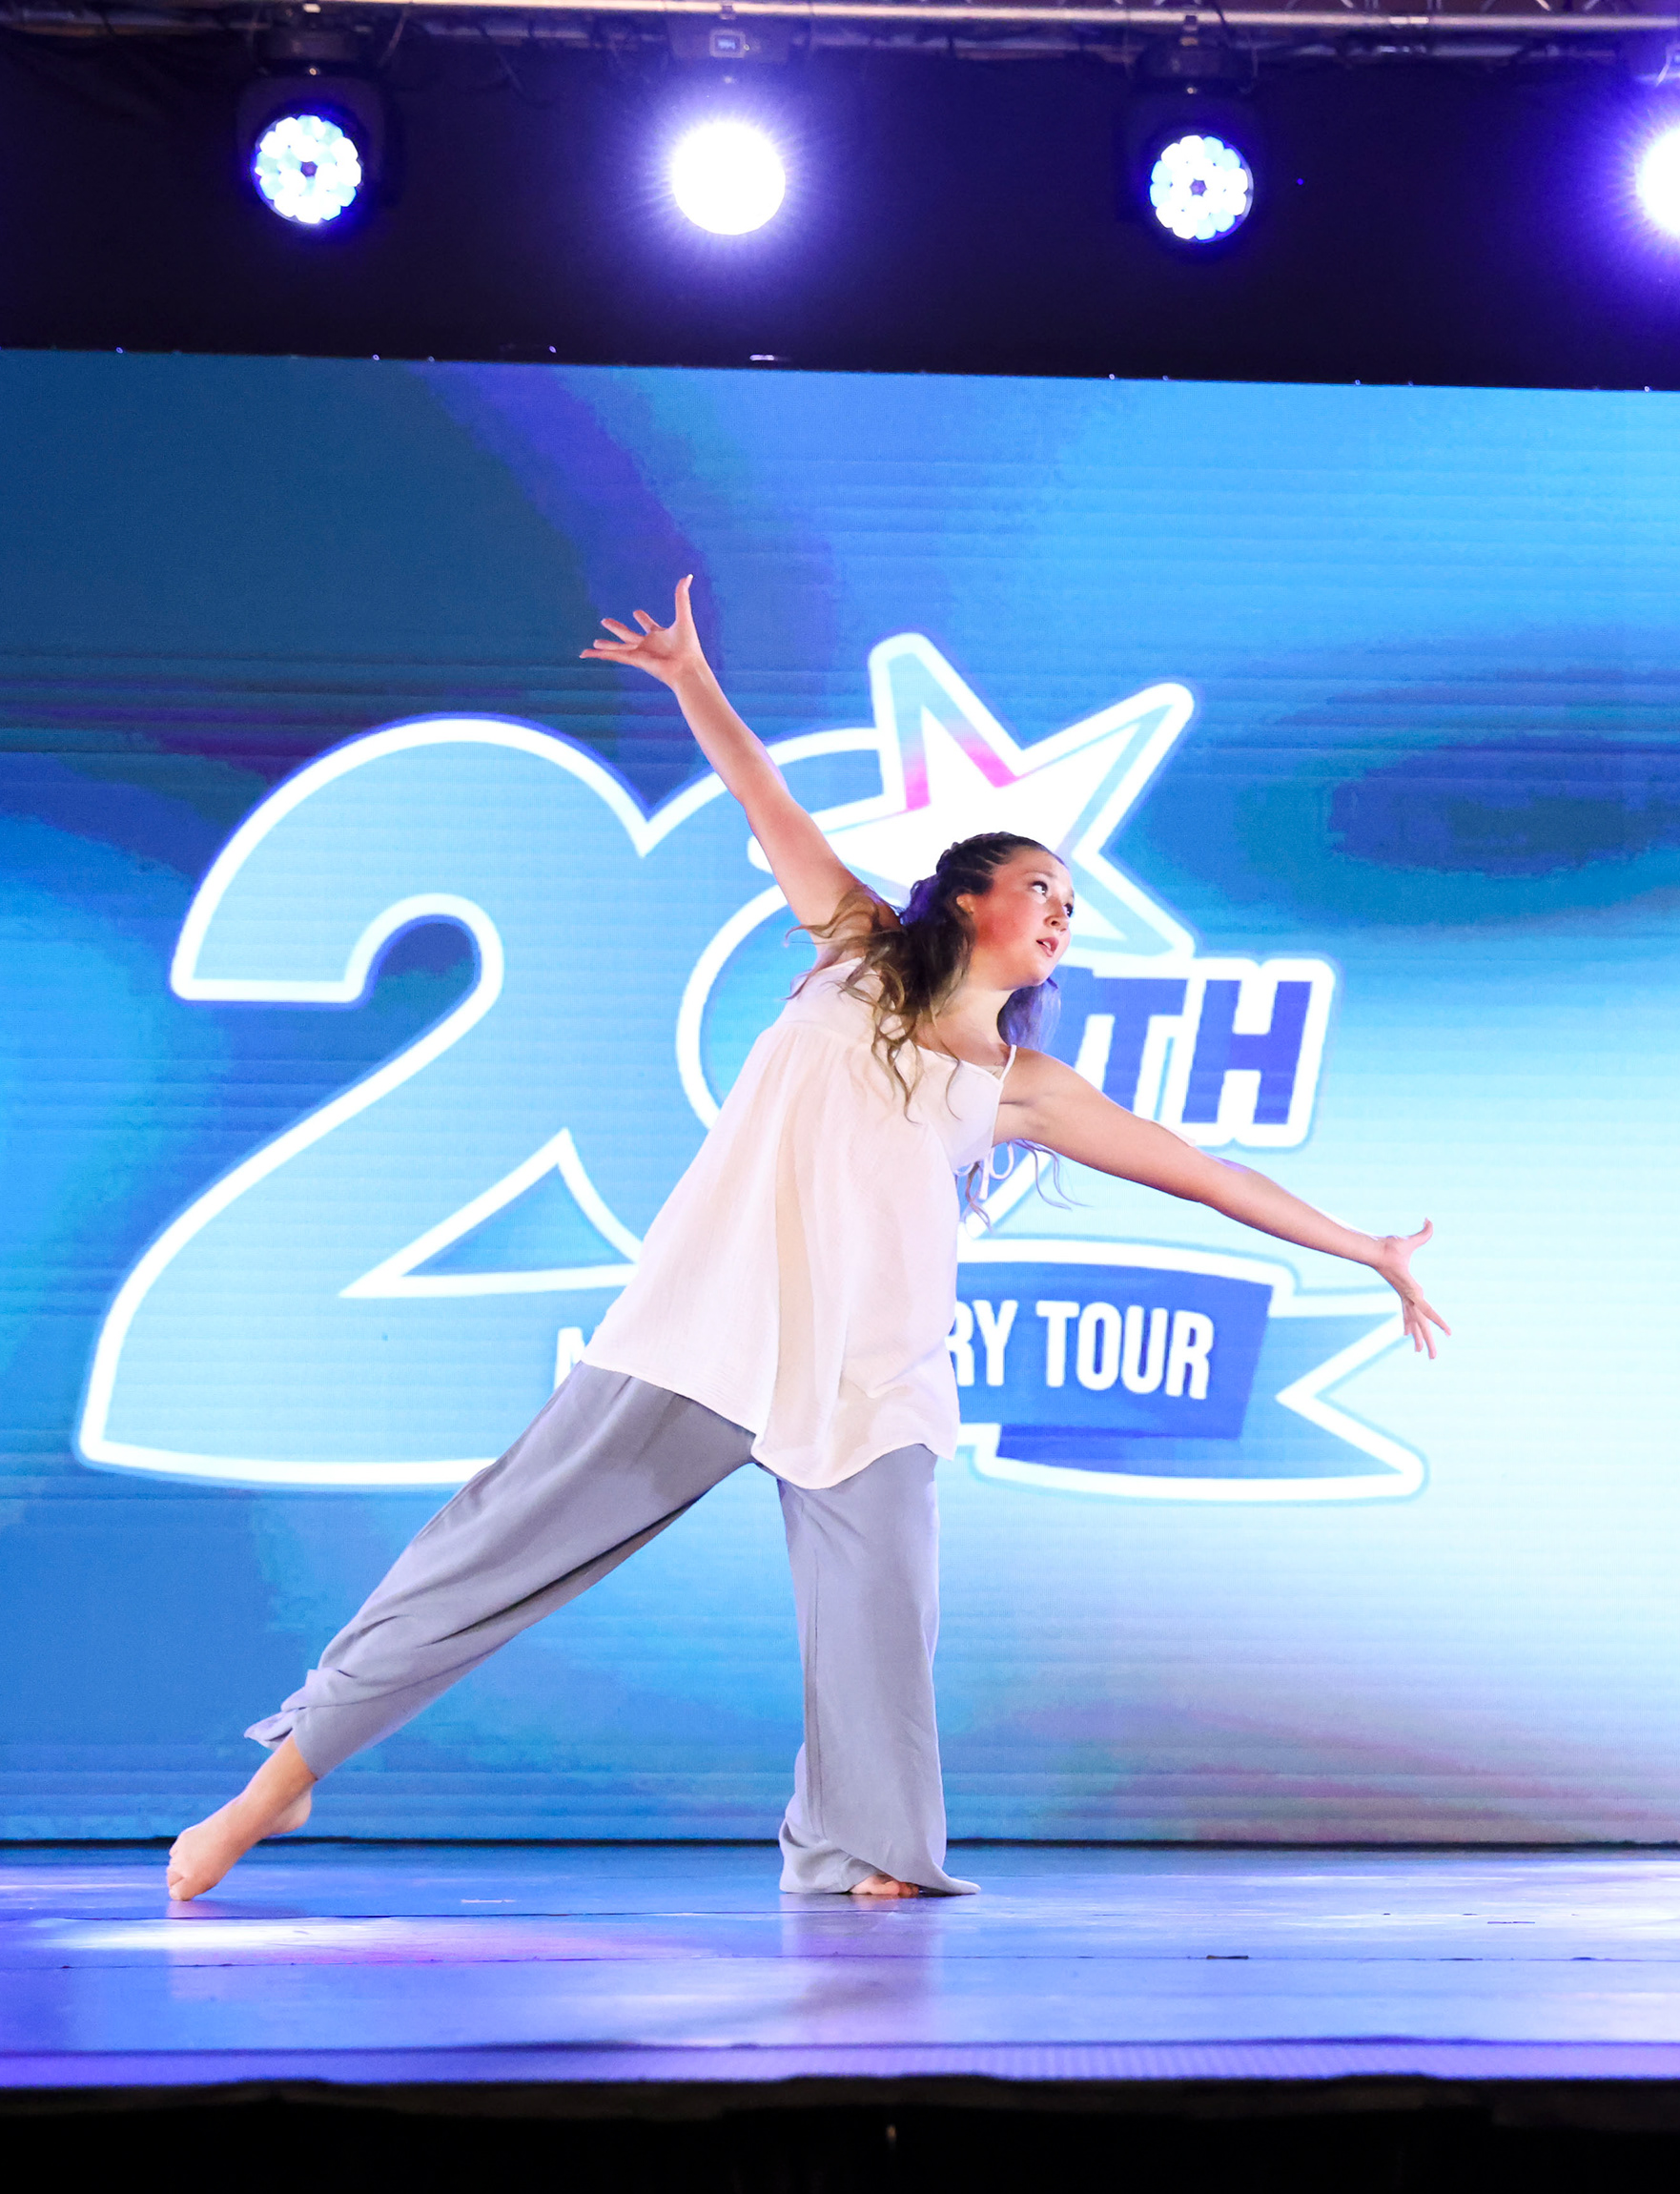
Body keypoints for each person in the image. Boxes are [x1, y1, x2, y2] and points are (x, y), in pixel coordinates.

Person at [167, 578, 1449, 1903]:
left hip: (869, 1380)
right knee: (495, 1548)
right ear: (966, 901)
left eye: (1072, 902)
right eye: (1041, 889)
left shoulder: (1022, 1085)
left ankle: (870, 1856)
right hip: (703, 1330)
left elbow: (1207, 1175)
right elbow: (764, 798)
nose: (1063, 913)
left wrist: (1365, 1248)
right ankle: (287, 1775)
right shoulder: (854, 955)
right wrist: (691, 679)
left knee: (881, 1640)